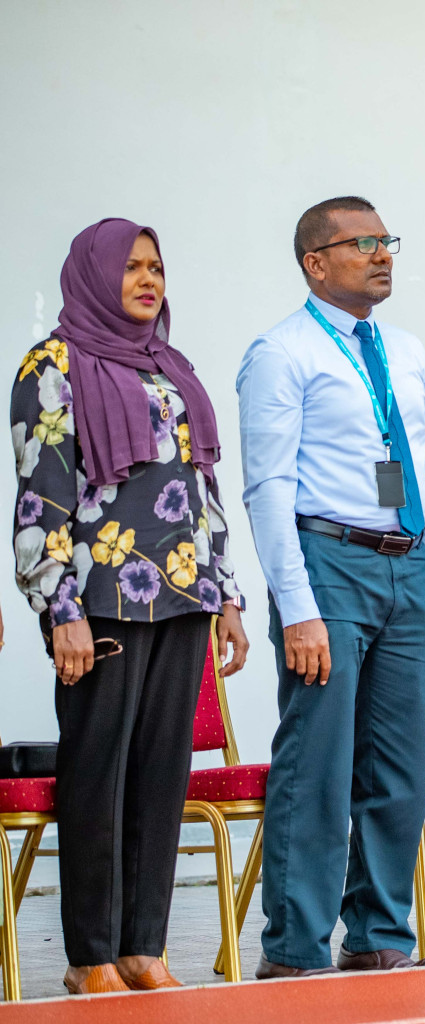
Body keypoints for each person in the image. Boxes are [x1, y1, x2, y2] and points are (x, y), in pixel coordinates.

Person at [11, 218, 249, 994]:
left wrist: (229, 597)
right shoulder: (54, 365)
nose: (149, 280)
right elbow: (40, 497)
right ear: (93, 274)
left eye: (157, 267)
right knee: (98, 776)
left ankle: (144, 947)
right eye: (132, 267)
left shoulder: (169, 368)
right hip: (102, 600)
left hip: (182, 596)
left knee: (161, 775)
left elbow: (200, 493)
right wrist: (59, 608)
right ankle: (89, 956)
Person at [238, 196, 425, 977]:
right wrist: (296, 607)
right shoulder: (282, 352)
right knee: (320, 764)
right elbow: (267, 486)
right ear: (315, 261)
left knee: (399, 770)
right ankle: (295, 951)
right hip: (327, 562)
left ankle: (379, 940)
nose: (381, 254)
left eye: (385, 240)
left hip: (406, 563)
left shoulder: (403, 350)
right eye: (361, 243)